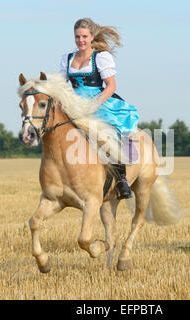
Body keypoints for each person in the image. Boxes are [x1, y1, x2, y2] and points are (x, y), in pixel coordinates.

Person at [59, 18, 139, 199]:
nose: (81, 40)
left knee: (109, 134)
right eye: (78, 37)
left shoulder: (101, 57)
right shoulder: (67, 58)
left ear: (92, 36)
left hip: (98, 101)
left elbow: (111, 86)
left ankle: (121, 179)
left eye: (85, 36)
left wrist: (94, 105)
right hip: (74, 103)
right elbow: (63, 85)